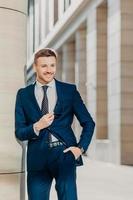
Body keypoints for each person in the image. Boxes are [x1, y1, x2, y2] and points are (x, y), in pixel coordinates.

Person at [15, 48, 95, 200]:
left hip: (64, 155)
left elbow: (88, 122)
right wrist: (37, 126)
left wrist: (80, 148)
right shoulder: (23, 95)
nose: (49, 70)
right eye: (44, 66)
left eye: (52, 65)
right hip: (37, 158)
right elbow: (19, 131)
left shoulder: (69, 90)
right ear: (35, 67)